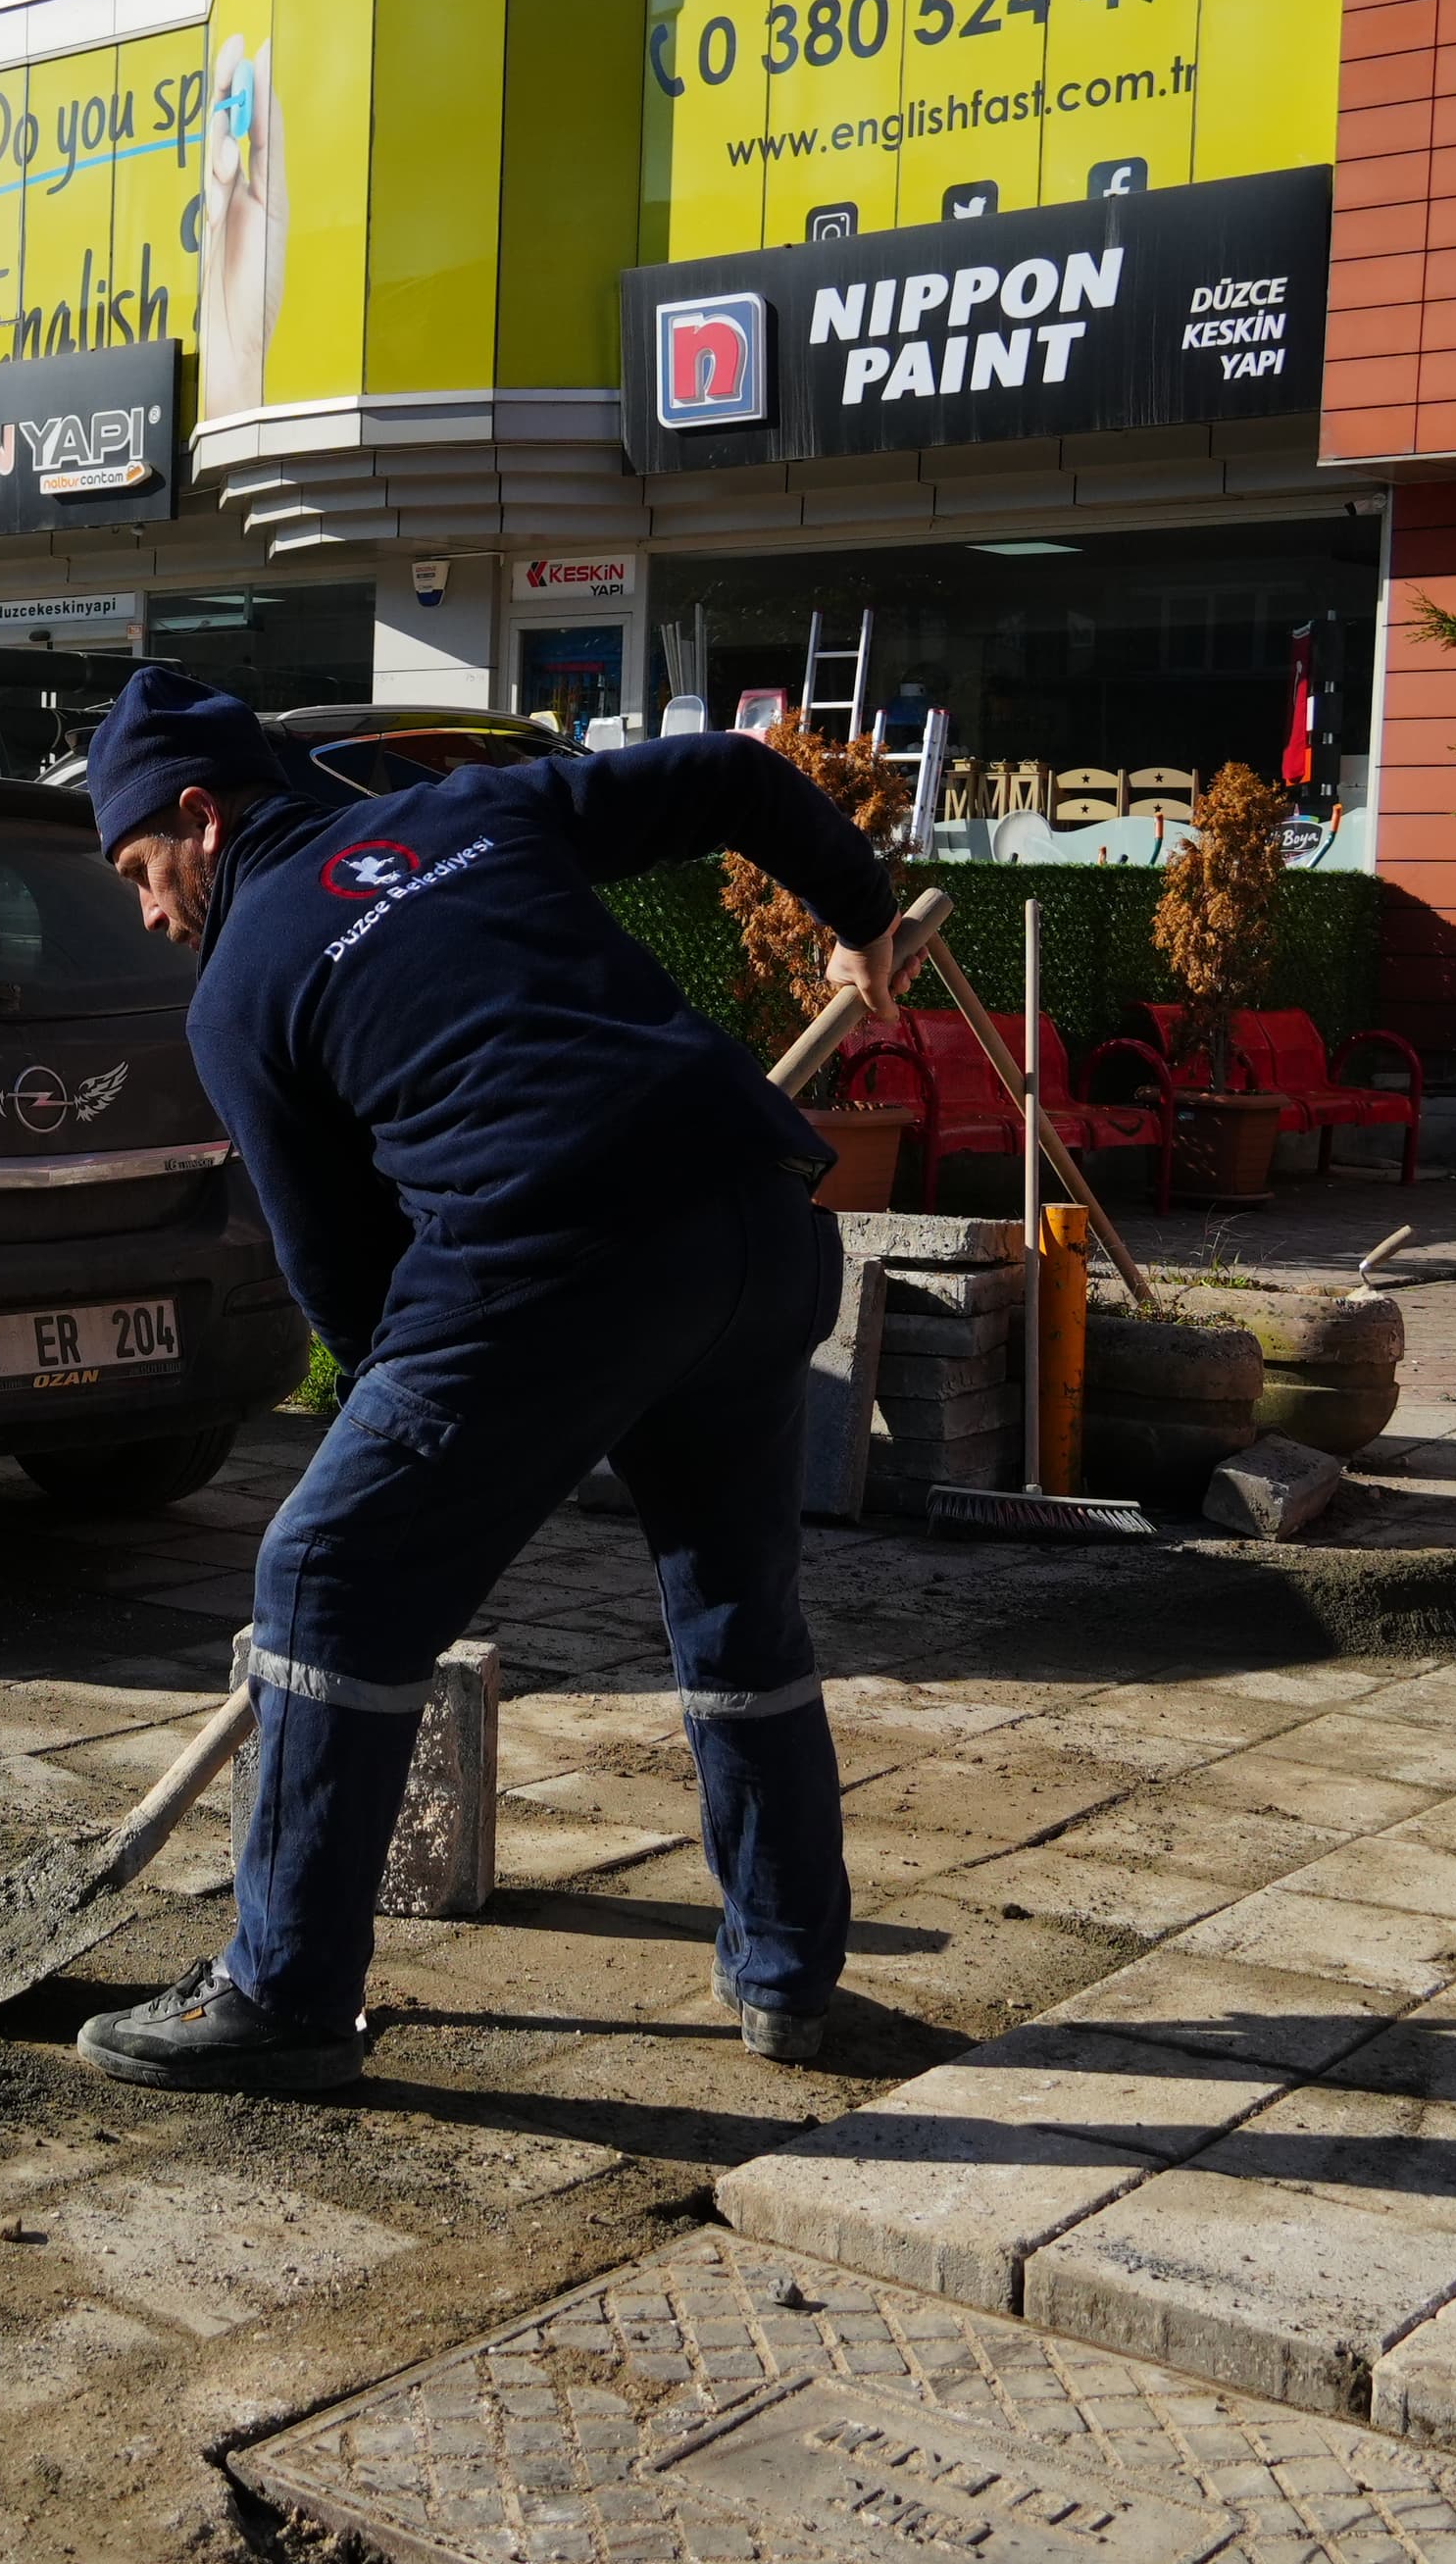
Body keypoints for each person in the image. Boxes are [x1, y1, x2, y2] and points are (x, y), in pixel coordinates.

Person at [73, 668, 903, 2094]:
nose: (149, 912)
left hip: (553, 1247)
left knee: (327, 1573)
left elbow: (345, 1279)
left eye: (143, 870)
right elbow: (730, 772)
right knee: (733, 1603)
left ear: (200, 820)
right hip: (757, 1222)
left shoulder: (241, 986)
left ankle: (280, 1994)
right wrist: (862, 914)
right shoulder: (467, 811)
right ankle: (786, 1973)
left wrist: (401, 1449)